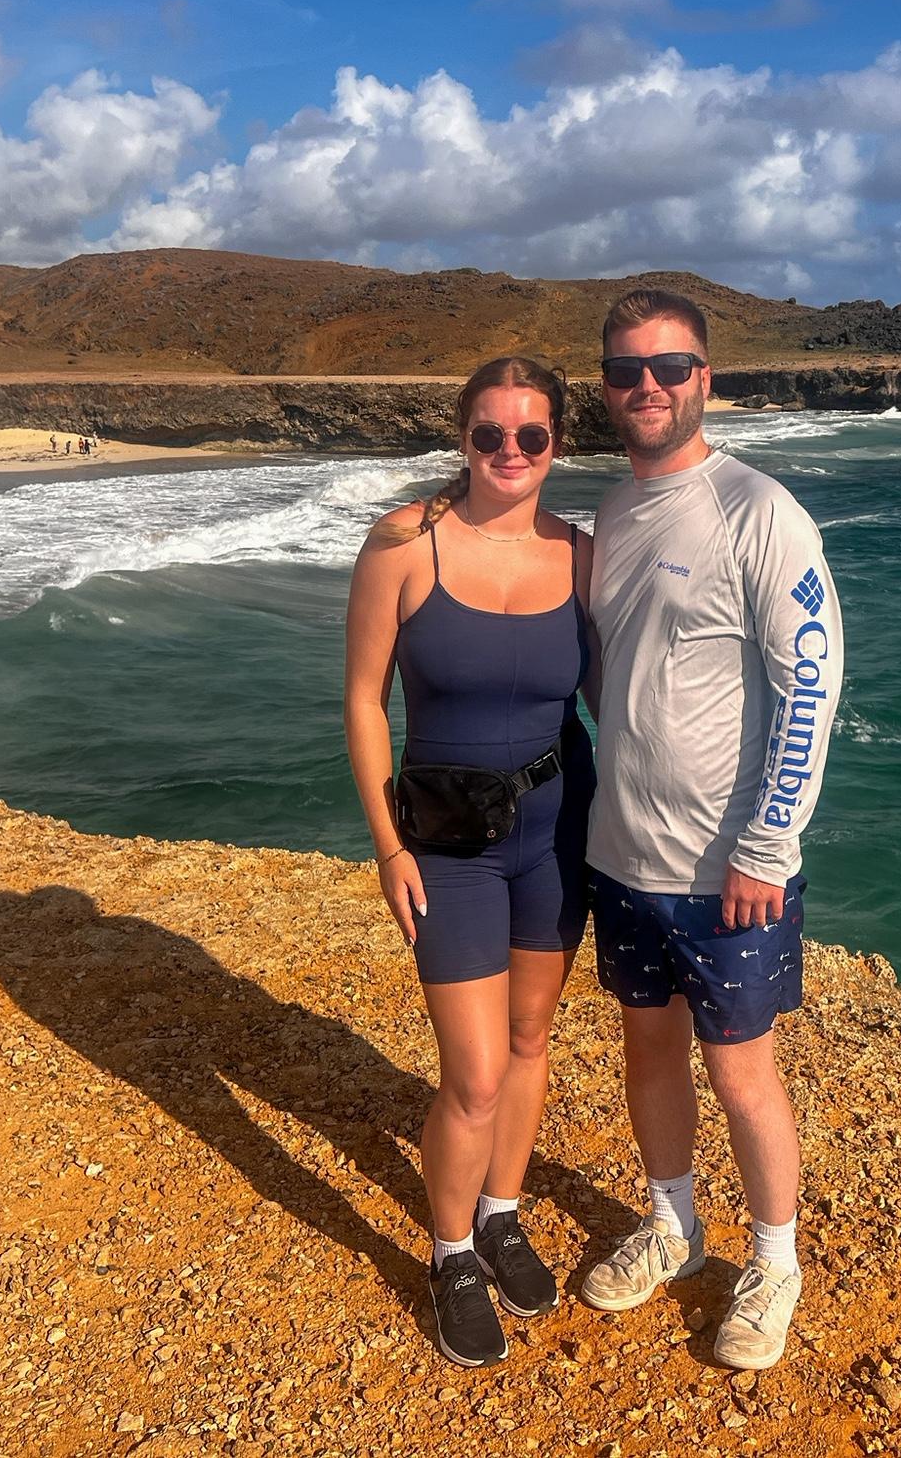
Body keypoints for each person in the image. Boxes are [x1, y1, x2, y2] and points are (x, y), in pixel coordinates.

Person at [579, 289, 843, 1371]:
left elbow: (812, 684)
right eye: (626, 370)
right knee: (649, 1053)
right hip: (621, 855)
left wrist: (767, 848)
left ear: (706, 380)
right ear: (606, 388)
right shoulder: (608, 516)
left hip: (729, 868)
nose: (648, 386)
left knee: (742, 1074)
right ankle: (674, 1226)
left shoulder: (759, 510)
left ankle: (774, 1262)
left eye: (670, 367)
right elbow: (612, 674)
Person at [344, 357, 596, 1367]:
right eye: (489, 433)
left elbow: (627, 697)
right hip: (447, 845)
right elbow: (364, 700)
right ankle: (450, 1253)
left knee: (530, 1040)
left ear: (557, 444)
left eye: (530, 435)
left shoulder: (580, 555)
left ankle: (501, 1213)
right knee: (477, 1075)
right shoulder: (405, 544)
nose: (509, 451)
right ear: (463, 436)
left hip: (557, 833)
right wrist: (387, 845)